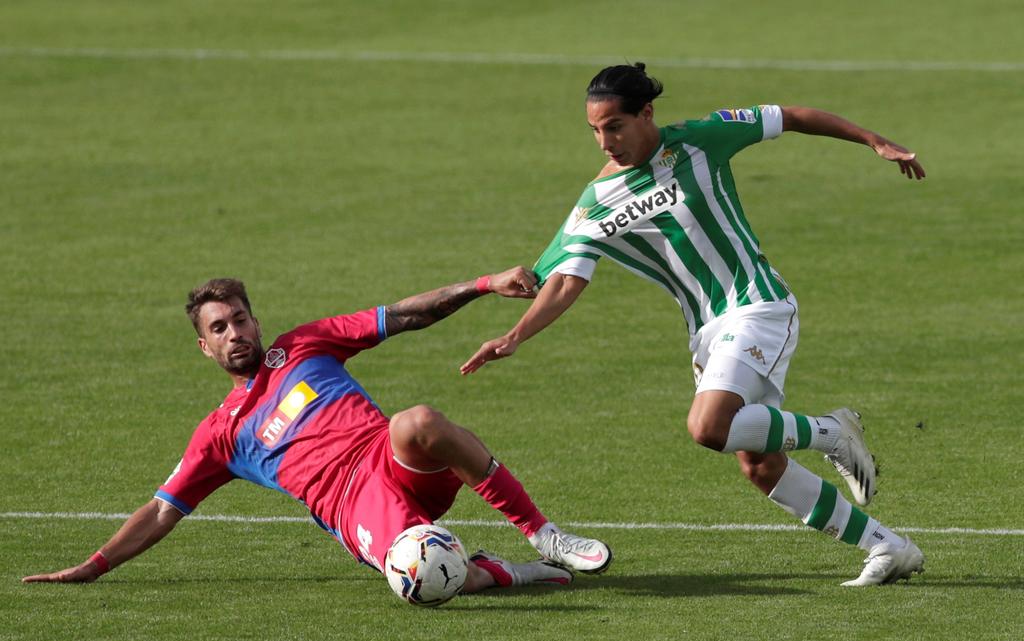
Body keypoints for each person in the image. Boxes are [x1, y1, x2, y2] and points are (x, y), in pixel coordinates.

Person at [461, 63, 926, 586]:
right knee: (760, 465)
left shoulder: (702, 139)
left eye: (614, 126)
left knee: (708, 427)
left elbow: (791, 115)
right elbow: (564, 280)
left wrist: (873, 140)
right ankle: (888, 547)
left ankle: (831, 433)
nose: (605, 142)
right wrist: (514, 334)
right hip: (706, 332)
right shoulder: (594, 205)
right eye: (595, 130)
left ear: (646, 113)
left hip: (758, 305)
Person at [23, 268, 612, 594]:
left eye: (240, 319)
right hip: (352, 505)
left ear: (257, 322)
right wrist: (94, 564)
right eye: (219, 328)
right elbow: (161, 511)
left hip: (388, 456)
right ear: (205, 346)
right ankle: (500, 571)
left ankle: (543, 535)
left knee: (419, 420)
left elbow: (404, 315)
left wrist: (483, 284)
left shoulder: (301, 346)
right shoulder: (220, 434)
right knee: (426, 581)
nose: (235, 333)